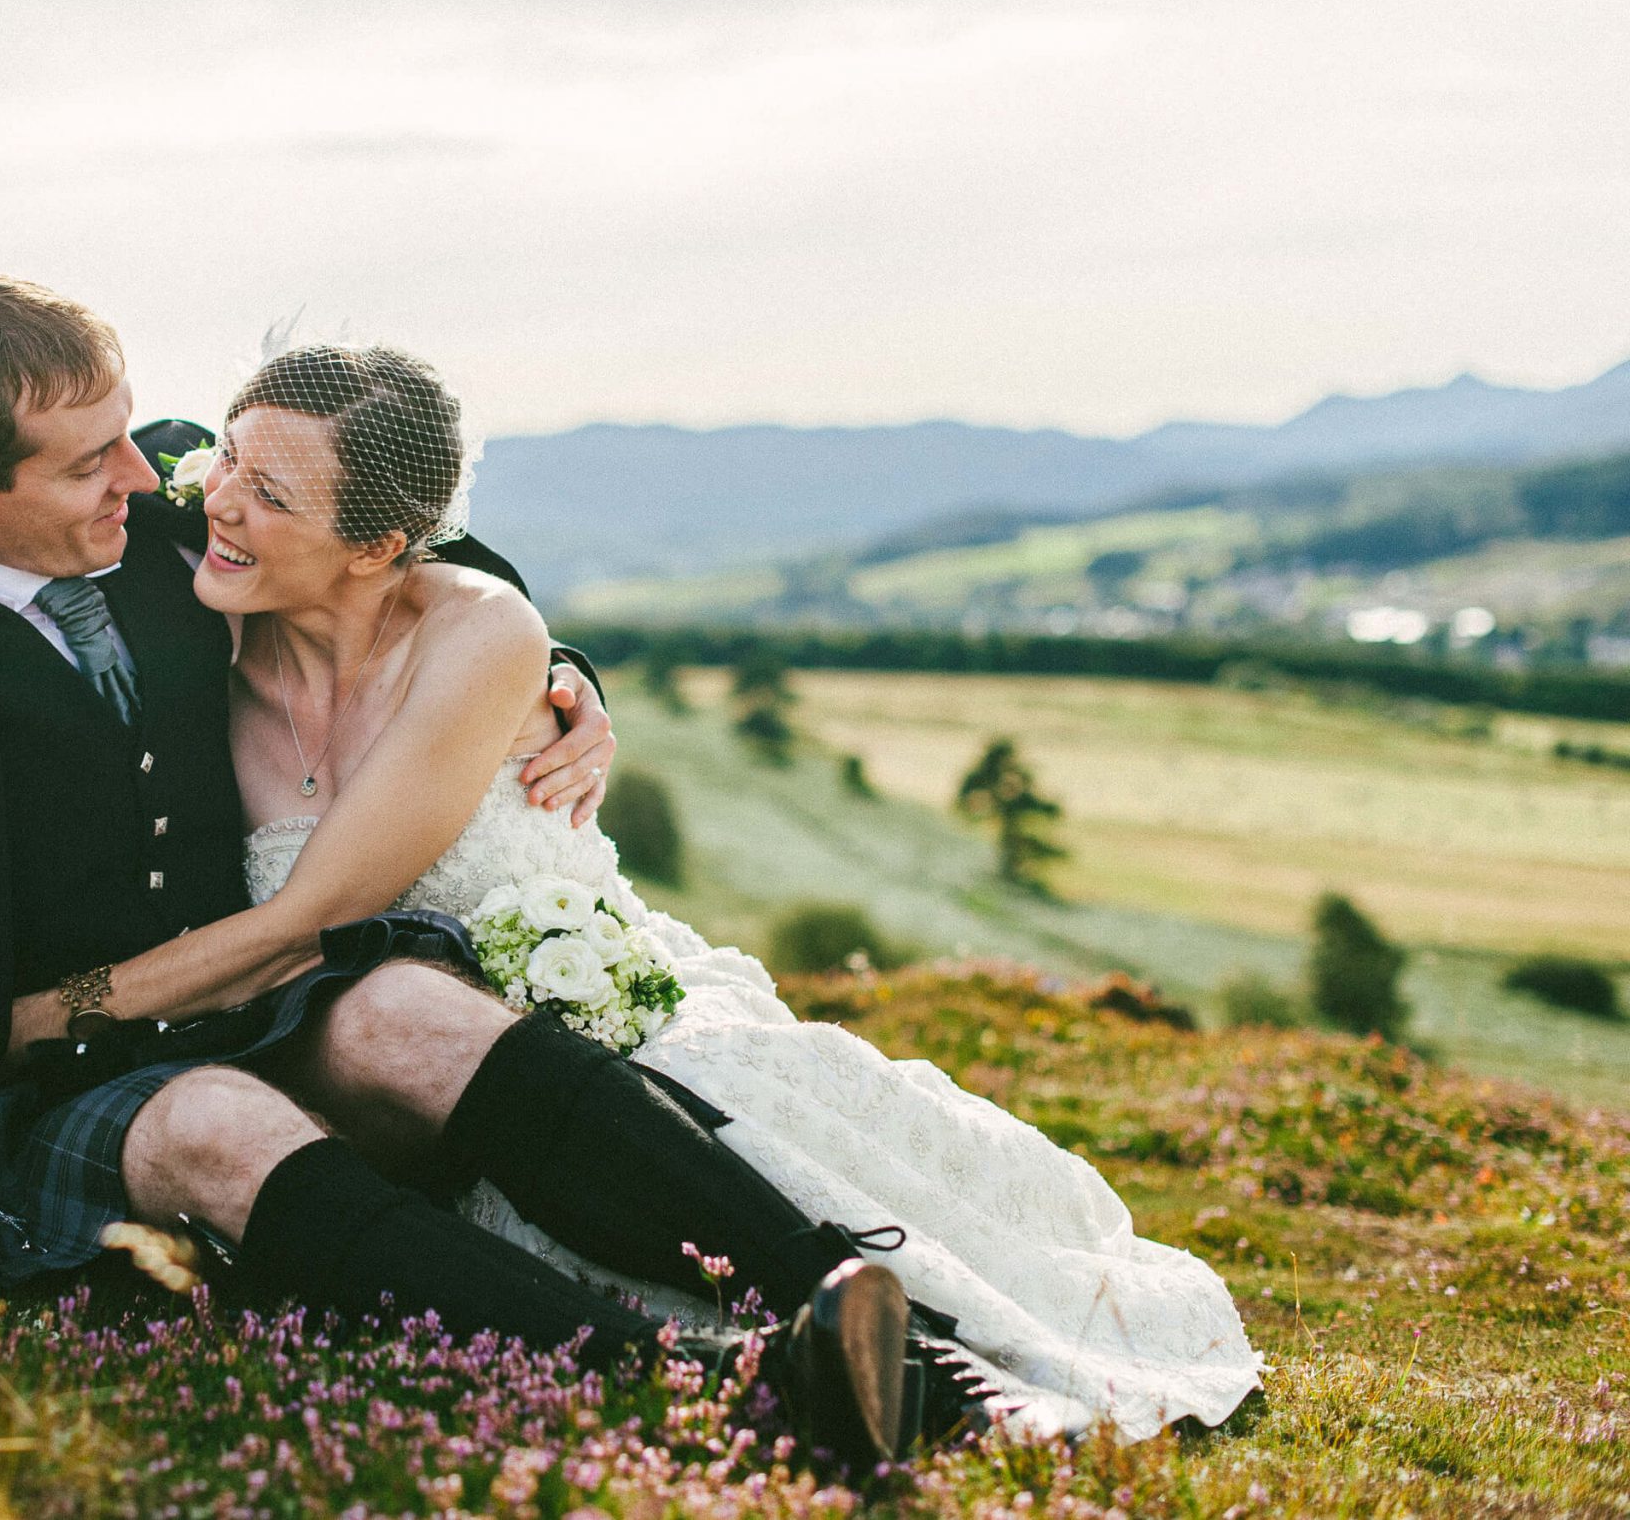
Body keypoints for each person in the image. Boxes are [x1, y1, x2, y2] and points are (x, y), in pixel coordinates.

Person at [0, 274, 918, 1475]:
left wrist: (556, 676)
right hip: (23, 1066)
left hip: (249, 992)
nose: (148, 474)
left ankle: (864, 1320)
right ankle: (724, 1382)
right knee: (219, 1120)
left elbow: (390, 541)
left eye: (131, 433)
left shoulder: (167, 513)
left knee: (417, 1008)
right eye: (90, 461)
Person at [128, 340, 1264, 1443]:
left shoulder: (465, 621)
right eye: (227, 457)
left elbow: (447, 636)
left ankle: (915, 1351)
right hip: (366, 1063)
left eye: (266, 490)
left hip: (577, 1029)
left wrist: (544, 671)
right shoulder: (178, 533)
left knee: (730, 1137)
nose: (216, 494)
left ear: (379, 543)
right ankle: (789, 1369)